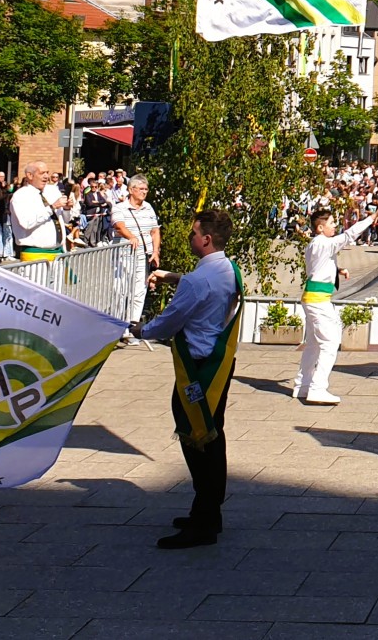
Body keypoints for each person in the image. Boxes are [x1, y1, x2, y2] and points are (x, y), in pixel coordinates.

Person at [135, 209, 242, 550]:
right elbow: (202, 286)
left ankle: (204, 521)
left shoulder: (198, 281)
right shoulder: (228, 268)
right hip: (218, 364)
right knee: (211, 436)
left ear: (206, 239)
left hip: (197, 369)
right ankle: (208, 511)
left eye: (193, 234)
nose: (190, 238)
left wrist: (141, 330)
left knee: (196, 439)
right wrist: (172, 277)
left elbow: (170, 320)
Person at [293, 200, 378, 406]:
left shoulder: (316, 244)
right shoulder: (324, 243)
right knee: (330, 342)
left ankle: (303, 385)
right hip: (318, 300)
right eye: (332, 223)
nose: (335, 226)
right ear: (320, 227)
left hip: (314, 297)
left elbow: (319, 266)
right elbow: (349, 235)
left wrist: (337, 270)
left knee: (314, 344)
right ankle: (317, 388)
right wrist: (372, 217)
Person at [110, 176, 160, 344]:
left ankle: (132, 329)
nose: (144, 192)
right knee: (121, 290)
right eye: (141, 189)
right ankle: (119, 327)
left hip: (143, 256)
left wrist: (155, 251)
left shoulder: (148, 208)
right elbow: (119, 226)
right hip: (124, 256)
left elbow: (155, 231)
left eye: (146, 189)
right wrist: (131, 237)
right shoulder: (119, 207)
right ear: (131, 190)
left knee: (139, 291)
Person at [8, 166, 65, 261]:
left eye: (47, 172)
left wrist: (67, 209)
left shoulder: (52, 191)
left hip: (57, 252)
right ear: (30, 175)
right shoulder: (21, 195)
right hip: (35, 253)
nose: (46, 176)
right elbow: (27, 223)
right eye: (42, 173)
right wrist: (52, 207)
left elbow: (63, 219)